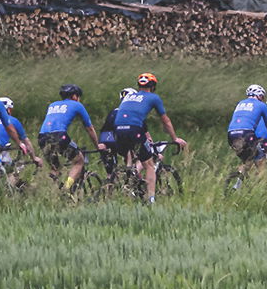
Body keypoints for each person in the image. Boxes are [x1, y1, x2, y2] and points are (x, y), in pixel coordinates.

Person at [112, 75, 188, 203]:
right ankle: (151, 200)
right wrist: (175, 138)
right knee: (149, 165)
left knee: (131, 158)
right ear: (153, 87)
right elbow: (165, 120)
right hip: (134, 130)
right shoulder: (153, 97)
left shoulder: (128, 97)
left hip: (117, 130)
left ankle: (130, 181)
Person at [39, 84, 101, 192]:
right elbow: (90, 128)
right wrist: (97, 145)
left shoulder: (52, 105)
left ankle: (52, 191)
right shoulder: (77, 105)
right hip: (59, 136)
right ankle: (66, 188)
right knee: (79, 161)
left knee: (55, 168)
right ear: (74, 96)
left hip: (42, 137)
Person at [0, 97, 42, 190]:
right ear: (7, 110)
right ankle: (11, 190)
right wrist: (34, 157)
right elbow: (26, 141)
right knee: (10, 170)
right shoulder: (12, 120)